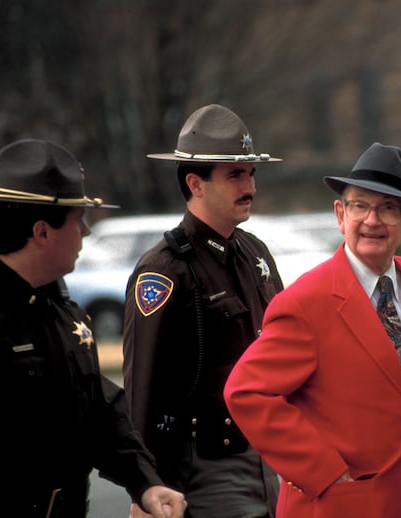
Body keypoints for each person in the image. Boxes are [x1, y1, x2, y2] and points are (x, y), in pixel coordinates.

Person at [224, 142, 401, 518]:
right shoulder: (308, 301)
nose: (372, 220)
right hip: (343, 503)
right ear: (340, 214)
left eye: (387, 208)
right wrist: (325, 473)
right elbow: (247, 392)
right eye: (360, 206)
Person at [0, 139, 187, 518]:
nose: (85, 231)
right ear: (42, 232)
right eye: (76, 219)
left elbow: (98, 410)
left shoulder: (64, 313)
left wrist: (145, 483)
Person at [123, 104, 282, 518]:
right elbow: (144, 386)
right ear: (195, 183)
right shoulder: (164, 271)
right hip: (207, 468)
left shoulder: (254, 254)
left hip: (269, 457)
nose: (249, 185)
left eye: (250, 173)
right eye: (234, 175)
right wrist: (145, 487)